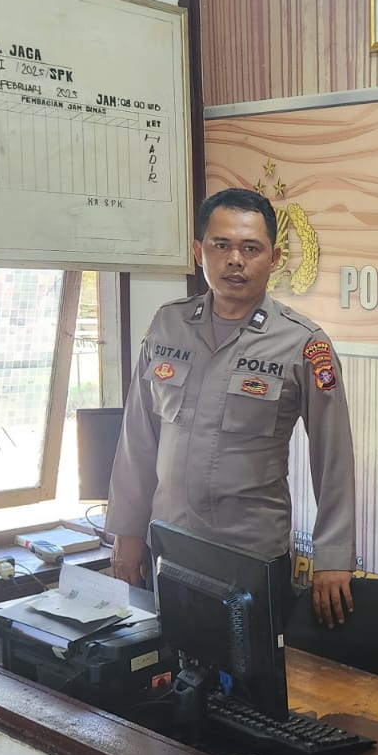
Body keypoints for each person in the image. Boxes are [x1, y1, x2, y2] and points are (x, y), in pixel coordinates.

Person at [106, 187, 357, 627]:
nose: (234, 260)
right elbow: (138, 438)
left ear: (274, 258)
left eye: (250, 248)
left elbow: (333, 456)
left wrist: (333, 555)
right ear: (199, 251)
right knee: (167, 663)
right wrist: (128, 530)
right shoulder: (168, 325)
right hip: (170, 546)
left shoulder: (303, 343)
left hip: (251, 556)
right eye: (221, 246)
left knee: (250, 668)